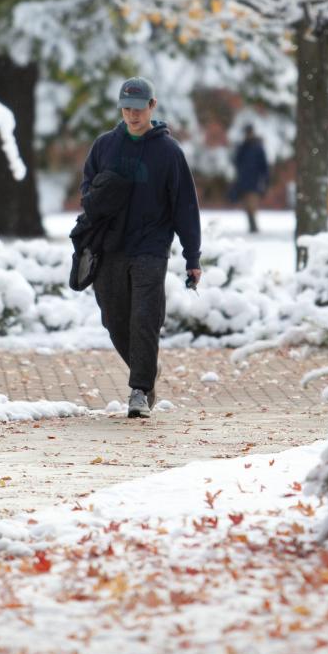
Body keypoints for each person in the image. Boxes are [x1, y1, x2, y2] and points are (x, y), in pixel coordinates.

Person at [79, 77, 202, 419]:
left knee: (145, 318)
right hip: (110, 247)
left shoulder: (168, 152)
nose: (132, 115)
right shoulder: (104, 146)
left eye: (138, 108)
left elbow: (185, 208)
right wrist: (98, 195)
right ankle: (145, 369)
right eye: (127, 108)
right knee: (115, 319)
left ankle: (139, 390)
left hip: (150, 247)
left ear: (152, 106)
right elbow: (87, 190)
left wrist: (193, 257)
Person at [229, 125, 270, 234]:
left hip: (254, 181)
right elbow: (236, 162)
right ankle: (252, 226)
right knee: (247, 206)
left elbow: (263, 166)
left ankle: (254, 227)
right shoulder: (243, 147)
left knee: (252, 205)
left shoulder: (258, 147)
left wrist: (264, 180)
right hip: (243, 181)